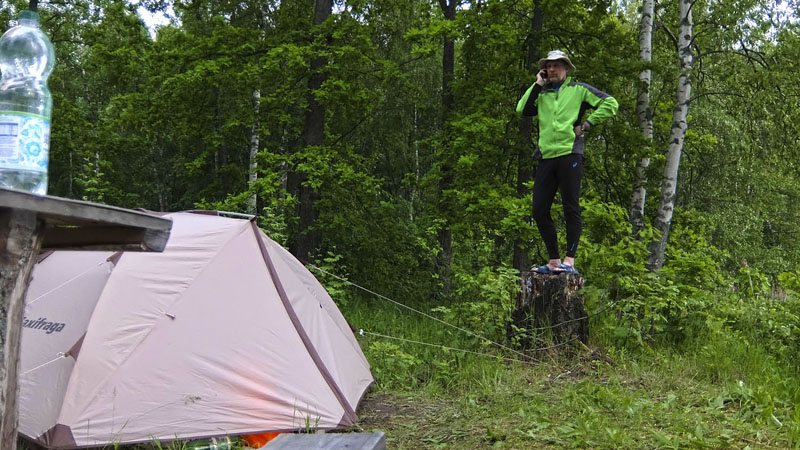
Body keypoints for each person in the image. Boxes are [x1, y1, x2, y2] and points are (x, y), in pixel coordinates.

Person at [516, 50, 618, 274]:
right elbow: (522, 109)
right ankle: (553, 261)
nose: (552, 69)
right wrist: (537, 84)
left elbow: (610, 103)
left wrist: (587, 125)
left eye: (557, 65)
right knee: (539, 209)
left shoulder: (578, 89)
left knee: (571, 206)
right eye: (549, 66)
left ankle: (569, 260)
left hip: (570, 154)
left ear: (566, 68)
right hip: (546, 156)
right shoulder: (541, 93)